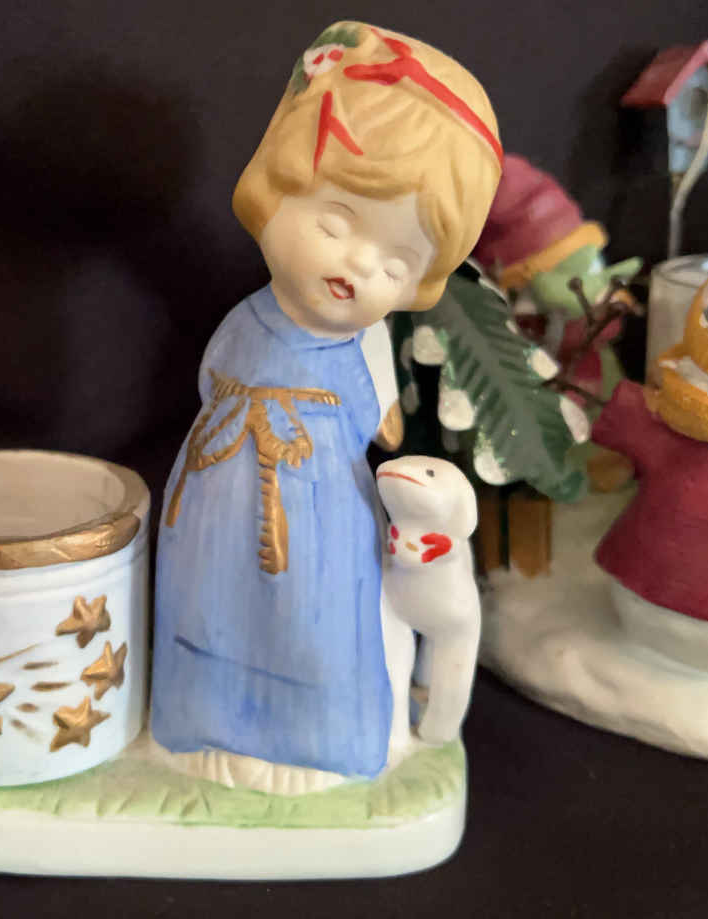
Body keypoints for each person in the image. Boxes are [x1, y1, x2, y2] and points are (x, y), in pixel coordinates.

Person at [150, 21, 502, 790]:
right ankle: (201, 729)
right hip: (213, 495)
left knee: (314, 621)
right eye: (335, 222)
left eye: (396, 262)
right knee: (206, 603)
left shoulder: (362, 345)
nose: (356, 266)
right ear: (274, 190)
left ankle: (316, 746)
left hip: (319, 511)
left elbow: (376, 418)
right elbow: (215, 381)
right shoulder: (246, 320)